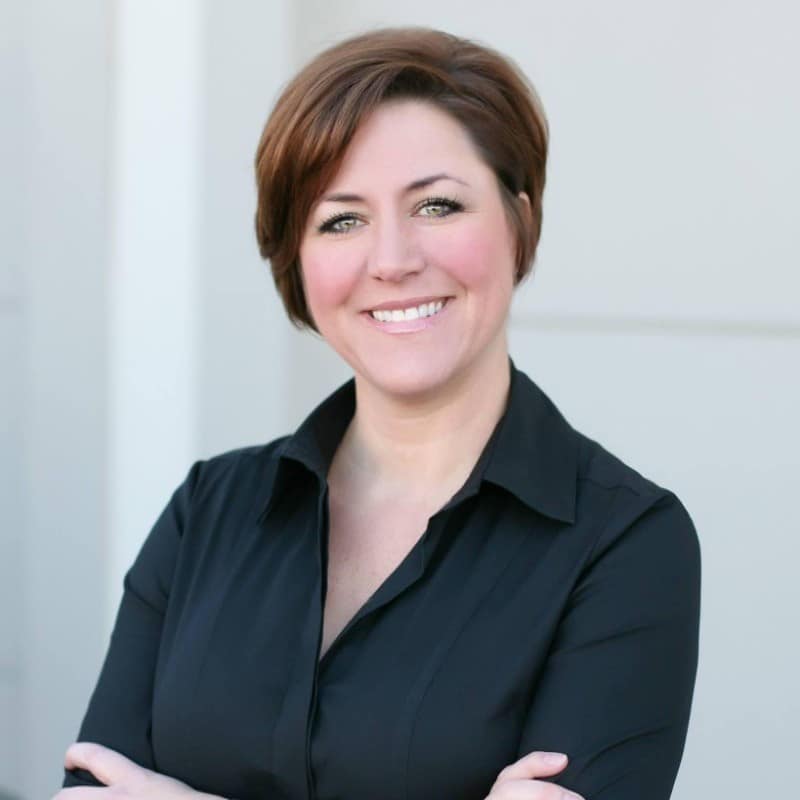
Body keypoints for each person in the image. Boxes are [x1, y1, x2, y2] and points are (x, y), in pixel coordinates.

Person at [57, 27, 701, 800]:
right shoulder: (209, 513)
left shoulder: (625, 545)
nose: (392, 260)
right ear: (296, 258)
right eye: (342, 219)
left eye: (436, 204)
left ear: (519, 220)